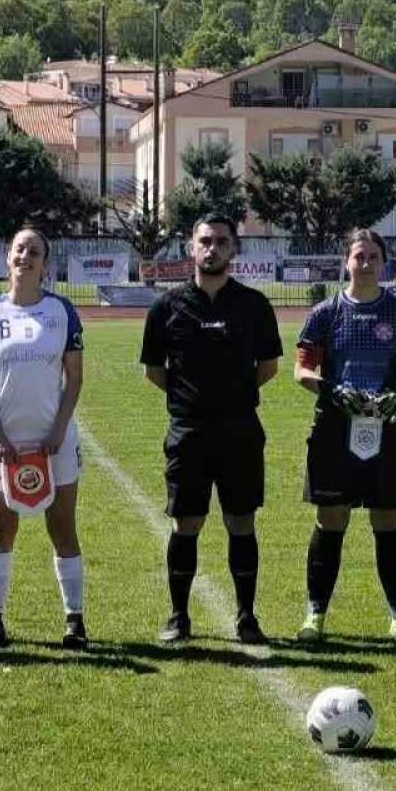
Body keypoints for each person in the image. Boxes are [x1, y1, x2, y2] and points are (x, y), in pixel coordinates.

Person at [139, 215, 283, 645]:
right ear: (191, 247)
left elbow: (268, 366)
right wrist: (191, 398)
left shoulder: (253, 305)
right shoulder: (167, 306)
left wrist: (233, 395)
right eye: (205, 241)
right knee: (187, 522)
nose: (212, 248)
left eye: (221, 241)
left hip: (240, 430)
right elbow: (154, 370)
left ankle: (246, 617)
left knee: (241, 521)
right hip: (189, 432)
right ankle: (178, 616)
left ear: (233, 248)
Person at [293, 229, 396, 644]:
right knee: (331, 519)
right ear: (346, 262)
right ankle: (315, 615)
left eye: (373, 257)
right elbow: (301, 370)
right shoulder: (324, 313)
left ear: (384, 264)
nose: (366, 263)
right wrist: (331, 390)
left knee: (389, 521)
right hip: (334, 430)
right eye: (358, 256)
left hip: (387, 429)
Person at [0, 227, 87, 650]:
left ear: (45, 264)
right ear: (8, 258)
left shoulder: (62, 311)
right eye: (19, 249)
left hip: (55, 440)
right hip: (2, 443)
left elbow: (74, 378)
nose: (25, 256)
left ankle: (75, 621)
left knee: (63, 527)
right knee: (0, 528)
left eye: (34, 251)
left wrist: (58, 429)